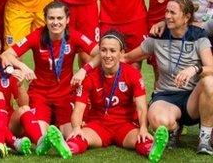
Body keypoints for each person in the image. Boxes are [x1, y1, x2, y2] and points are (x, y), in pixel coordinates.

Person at [42, 31, 169, 162]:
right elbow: (78, 110)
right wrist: (76, 128)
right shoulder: (89, 77)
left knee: (141, 138)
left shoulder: (132, 74)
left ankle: (152, 149)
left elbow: (141, 107)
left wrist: (143, 128)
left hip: (124, 125)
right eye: (103, 50)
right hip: (98, 125)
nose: (108, 55)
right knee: (79, 137)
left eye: (113, 51)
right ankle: (68, 148)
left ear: (122, 53)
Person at [123, 0, 213, 154]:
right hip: (166, 96)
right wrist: (91, 65)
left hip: (193, 99)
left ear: (186, 17)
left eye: (172, 13)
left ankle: (205, 138)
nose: (167, 16)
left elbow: (211, 67)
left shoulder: (199, 36)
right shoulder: (157, 37)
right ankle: (174, 128)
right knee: (158, 120)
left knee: (209, 81)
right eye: (166, 12)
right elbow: (127, 57)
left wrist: (195, 69)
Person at [1, 1, 98, 144]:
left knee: (71, 135)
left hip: (65, 95)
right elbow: (6, 55)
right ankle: (50, 127)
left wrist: (84, 70)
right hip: (41, 95)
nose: (55, 22)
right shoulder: (36, 36)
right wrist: (23, 66)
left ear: (67, 19)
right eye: (51, 18)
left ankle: (58, 127)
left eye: (60, 18)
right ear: (45, 20)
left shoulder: (74, 36)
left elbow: (101, 53)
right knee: (40, 136)